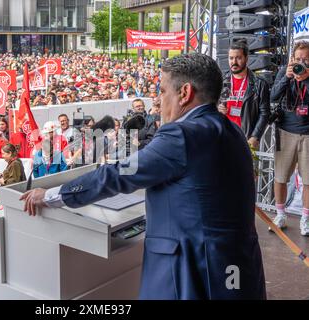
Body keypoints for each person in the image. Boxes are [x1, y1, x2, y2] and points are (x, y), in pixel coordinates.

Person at [20, 53, 266, 300]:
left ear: (185, 93)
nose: (158, 100)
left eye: (162, 91)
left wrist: (52, 195)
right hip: (237, 266)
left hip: (192, 270)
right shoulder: (231, 129)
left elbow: (118, 174)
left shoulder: (180, 135)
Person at [270, 41, 309, 236]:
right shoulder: (285, 72)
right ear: (292, 59)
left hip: (308, 134)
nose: (301, 63)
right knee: (281, 176)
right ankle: (280, 214)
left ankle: (306, 218)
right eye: (298, 59)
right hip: (285, 131)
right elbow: (273, 96)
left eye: (305, 59)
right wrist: (287, 77)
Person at [218, 40, 270, 149]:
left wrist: (255, 136)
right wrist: (217, 109)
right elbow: (210, 105)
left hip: (246, 138)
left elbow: (264, 113)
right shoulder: (222, 81)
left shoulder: (259, 83)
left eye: (238, 58)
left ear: (246, 59)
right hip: (224, 136)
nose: (234, 62)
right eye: (231, 58)